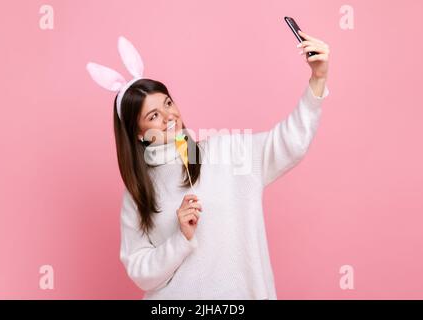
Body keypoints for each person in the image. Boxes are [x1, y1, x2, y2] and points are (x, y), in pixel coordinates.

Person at [87, 31, 330, 299]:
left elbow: (289, 143)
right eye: (154, 115)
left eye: (168, 103)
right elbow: (141, 273)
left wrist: (317, 79)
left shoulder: (225, 152)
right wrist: (180, 239)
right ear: (139, 134)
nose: (169, 116)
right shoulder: (138, 192)